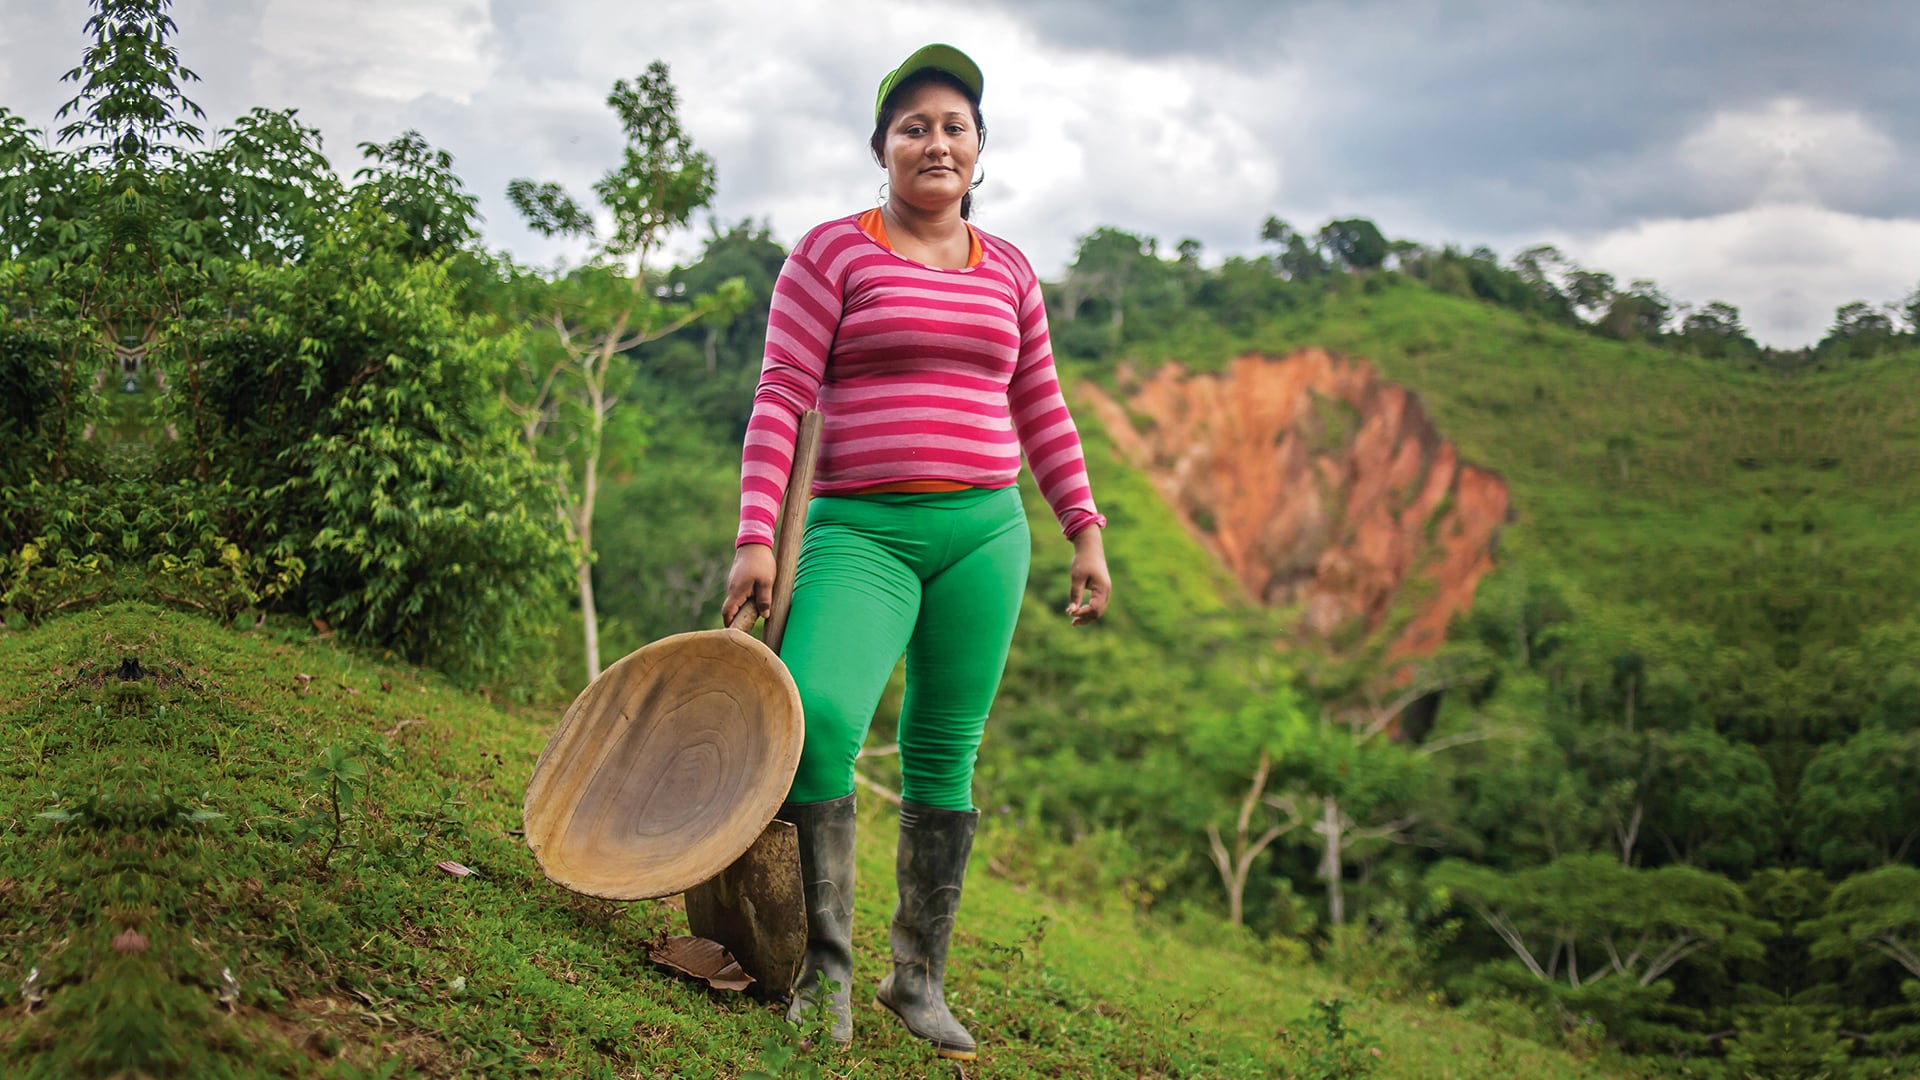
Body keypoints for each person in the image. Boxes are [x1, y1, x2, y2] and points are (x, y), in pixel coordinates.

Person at [722, 42, 1111, 1062]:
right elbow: (781, 396)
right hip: (861, 531)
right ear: (881, 147)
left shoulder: (1010, 269)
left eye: (954, 126)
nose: (936, 142)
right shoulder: (831, 255)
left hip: (986, 533)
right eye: (914, 127)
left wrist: (1083, 528)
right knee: (818, 720)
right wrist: (757, 536)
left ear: (979, 149)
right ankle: (825, 970)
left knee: (946, 747)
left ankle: (917, 977)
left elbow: (1042, 405)